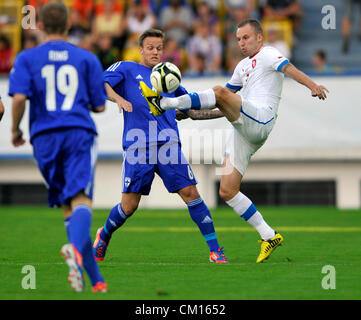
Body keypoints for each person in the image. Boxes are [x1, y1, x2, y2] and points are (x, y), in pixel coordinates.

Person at [140, 18, 329, 263]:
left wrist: (313, 85)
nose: (241, 42)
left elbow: (289, 70)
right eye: (238, 39)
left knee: (218, 91)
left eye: (246, 38)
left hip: (261, 119)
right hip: (243, 130)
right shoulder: (241, 66)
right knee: (227, 190)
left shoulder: (270, 54)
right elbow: (225, 103)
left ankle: (164, 103)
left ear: (259, 37)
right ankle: (269, 235)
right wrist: (195, 115)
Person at [93, 28, 228, 264]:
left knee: (191, 194)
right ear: (141, 50)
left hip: (168, 144)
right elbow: (99, 84)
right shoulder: (126, 68)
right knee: (129, 206)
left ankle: (215, 250)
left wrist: (226, 112)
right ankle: (103, 235)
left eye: (159, 48)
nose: (155, 52)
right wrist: (119, 99)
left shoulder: (170, 76)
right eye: (150, 48)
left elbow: (191, 112)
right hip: (138, 146)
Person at [8, 2, 107, 292]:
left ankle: (97, 280)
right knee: (82, 200)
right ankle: (75, 253)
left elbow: (17, 99)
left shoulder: (27, 58)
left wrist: (15, 130)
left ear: (40, 25)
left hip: (43, 138)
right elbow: (100, 105)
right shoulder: (86, 58)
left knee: (68, 205)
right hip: (78, 133)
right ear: (68, 25)